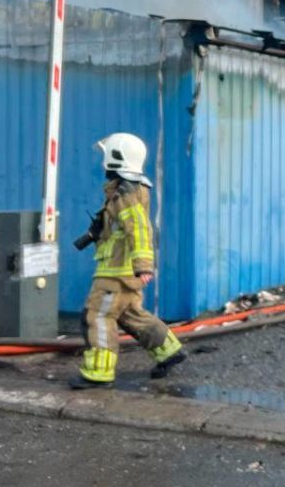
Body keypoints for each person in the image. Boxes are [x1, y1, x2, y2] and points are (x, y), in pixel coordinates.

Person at [70, 133, 185, 389]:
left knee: (97, 315)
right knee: (131, 315)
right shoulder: (126, 190)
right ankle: (168, 350)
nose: (103, 162)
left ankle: (97, 373)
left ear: (116, 157)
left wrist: (144, 264)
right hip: (124, 273)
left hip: (115, 273)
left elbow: (140, 228)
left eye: (106, 155)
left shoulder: (126, 192)